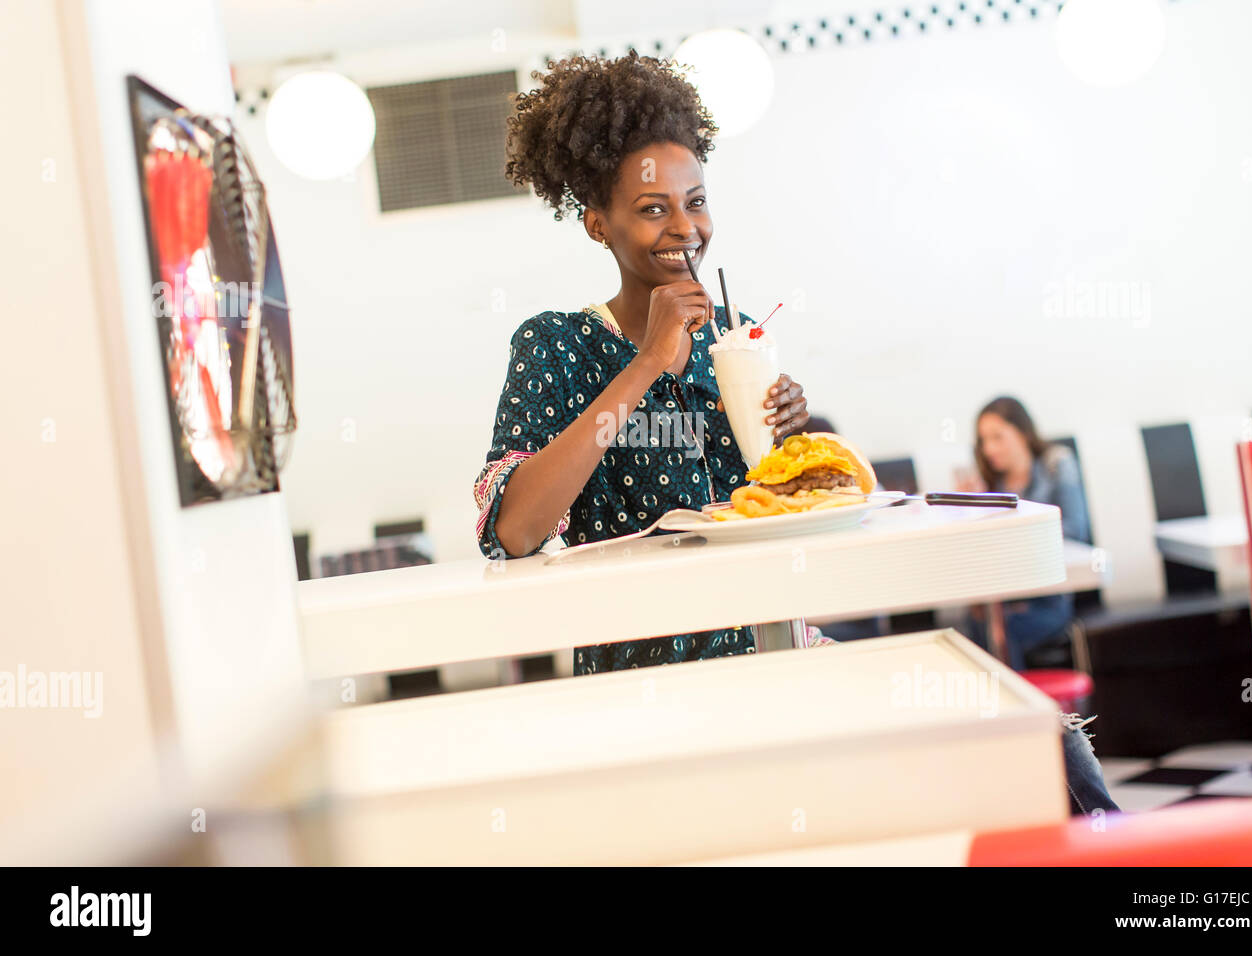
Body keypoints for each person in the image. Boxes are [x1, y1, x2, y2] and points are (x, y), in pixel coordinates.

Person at [473, 53, 1116, 815]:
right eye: (652, 208)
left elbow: (771, 520)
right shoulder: (555, 347)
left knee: (1037, 740)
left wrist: (792, 453)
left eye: (697, 200)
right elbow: (513, 529)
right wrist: (647, 363)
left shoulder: (736, 339)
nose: (685, 227)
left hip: (778, 651)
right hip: (648, 690)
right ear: (596, 221)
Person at [962, 397, 1091, 671]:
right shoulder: (989, 484)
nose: (989, 449)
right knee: (974, 624)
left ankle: (1018, 710)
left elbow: (1074, 530)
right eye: (984, 441)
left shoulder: (1056, 465)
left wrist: (1010, 539)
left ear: (1022, 432)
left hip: (1048, 601)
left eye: (998, 437)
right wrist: (966, 510)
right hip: (1004, 599)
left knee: (1001, 631)